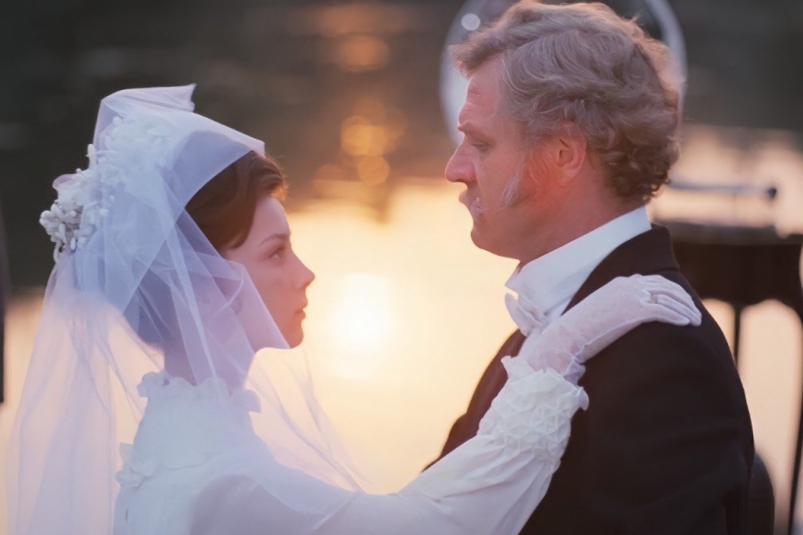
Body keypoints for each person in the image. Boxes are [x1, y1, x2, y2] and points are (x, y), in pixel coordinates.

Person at [7, 86, 699, 535]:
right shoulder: (225, 482)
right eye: (276, 252)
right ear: (207, 283)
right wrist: (554, 354)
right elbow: (429, 527)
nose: (305, 273)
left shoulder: (177, 436)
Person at [436, 2, 754, 534]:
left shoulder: (666, 357)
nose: (454, 169)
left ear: (564, 154)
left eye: (481, 143)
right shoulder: (549, 324)